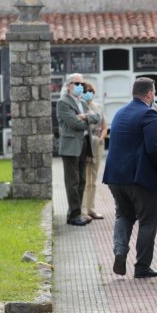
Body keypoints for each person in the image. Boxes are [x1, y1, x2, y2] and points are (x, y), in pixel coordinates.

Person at [103, 77, 157, 278]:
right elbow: (153, 147)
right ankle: (142, 267)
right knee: (148, 220)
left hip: (115, 177)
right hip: (139, 178)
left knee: (123, 214)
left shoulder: (119, 113)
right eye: (155, 92)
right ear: (150, 94)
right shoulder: (149, 113)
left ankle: (119, 250)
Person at [56, 73, 101, 226]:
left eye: (82, 84)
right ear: (69, 86)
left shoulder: (82, 101)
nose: (80, 87)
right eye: (77, 83)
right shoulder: (63, 102)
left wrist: (84, 117)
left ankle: (77, 213)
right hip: (70, 147)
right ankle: (74, 215)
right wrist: (86, 119)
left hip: (84, 144)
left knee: (82, 180)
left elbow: (97, 117)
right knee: (72, 182)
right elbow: (75, 124)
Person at [82, 81, 107, 220]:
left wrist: (101, 139)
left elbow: (104, 126)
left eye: (91, 91)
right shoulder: (80, 107)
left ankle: (91, 208)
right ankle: (83, 210)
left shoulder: (98, 107)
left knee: (93, 178)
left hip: (98, 145)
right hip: (86, 146)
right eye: (86, 91)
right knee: (85, 178)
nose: (89, 94)